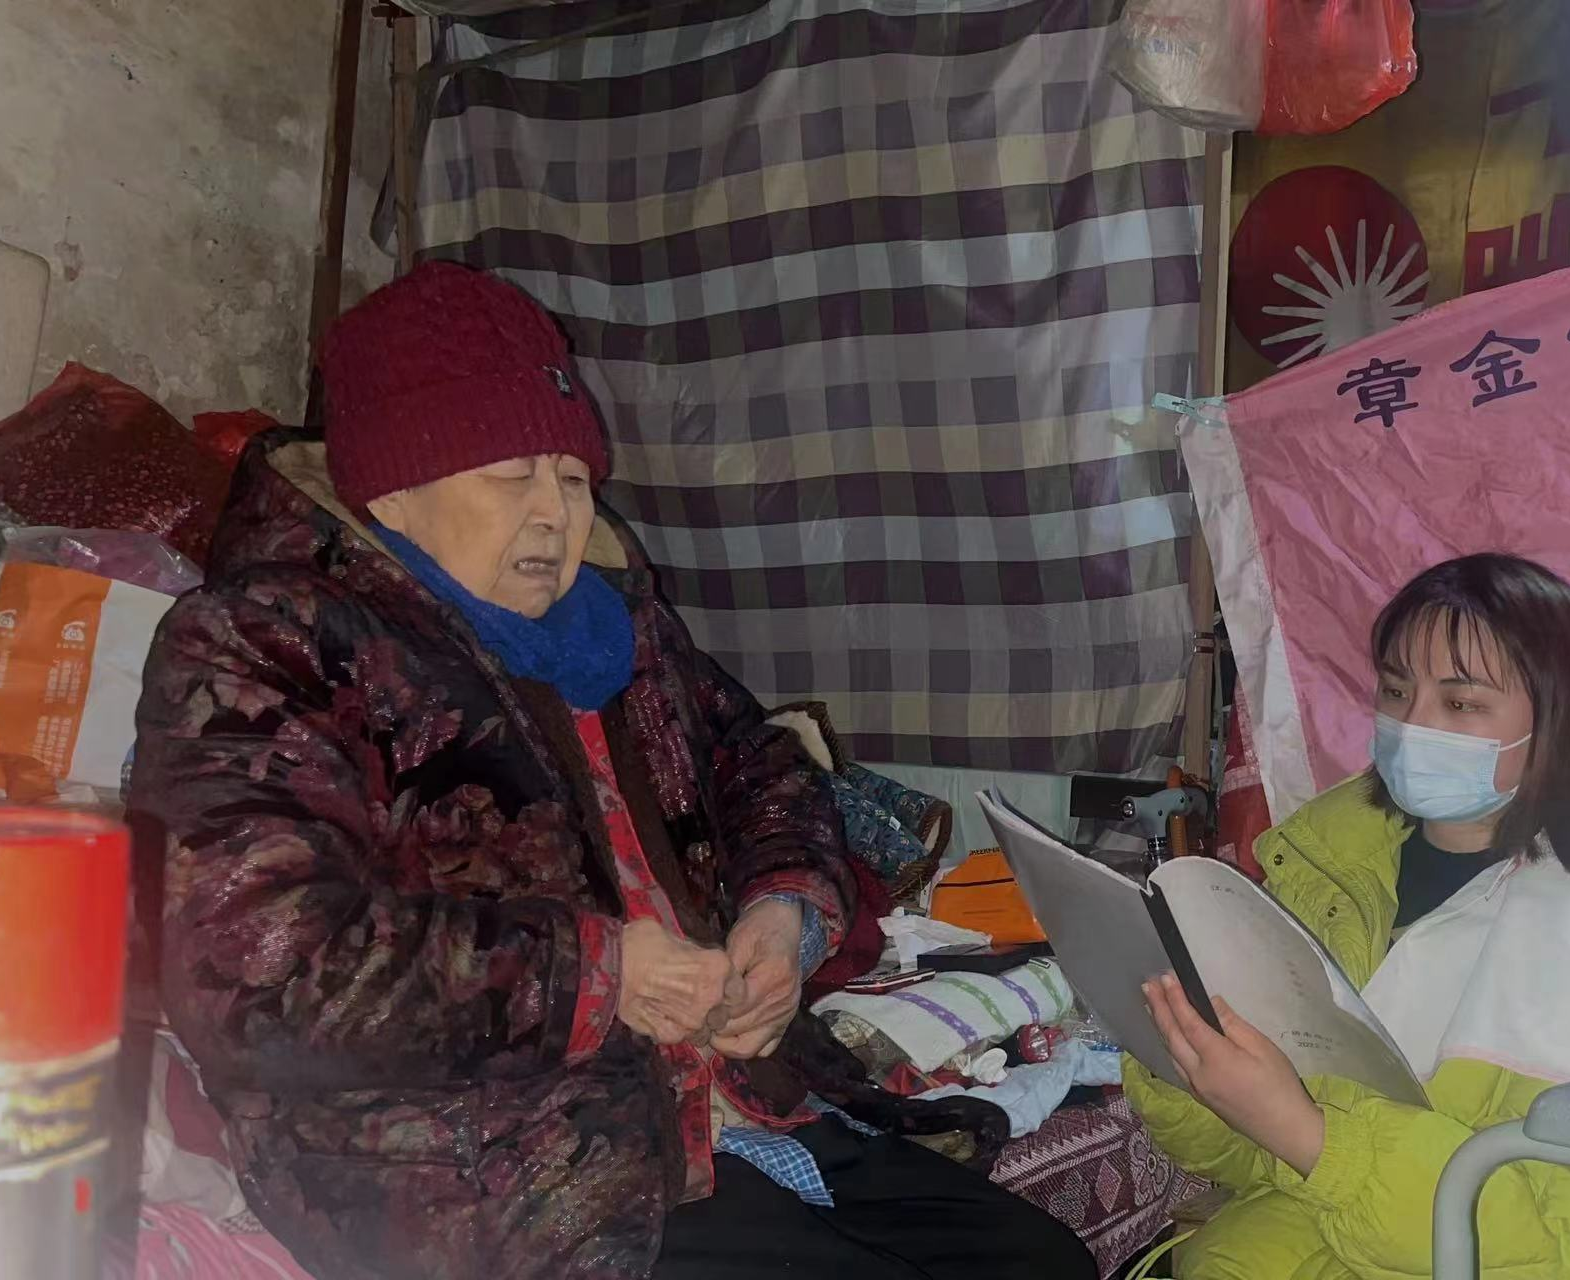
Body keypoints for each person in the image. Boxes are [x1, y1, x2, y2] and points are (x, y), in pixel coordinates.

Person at [130, 262, 1093, 1280]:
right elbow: (254, 970)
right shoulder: (264, 644)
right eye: (512, 476)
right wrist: (600, 974)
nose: (556, 514)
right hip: (491, 1162)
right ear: (393, 492)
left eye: (574, 478)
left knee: (1041, 1264)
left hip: (721, 1099)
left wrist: (783, 913)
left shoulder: (608, 625)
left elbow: (759, 760)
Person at [1125, 553, 1570, 1279]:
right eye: (1396, 690)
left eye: (1461, 704)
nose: (1413, 725)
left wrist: (1305, 1131)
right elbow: (1256, 1161)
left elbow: (1552, 1241)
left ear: (1557, 718)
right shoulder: (1331, 866)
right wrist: (1181, 1061)